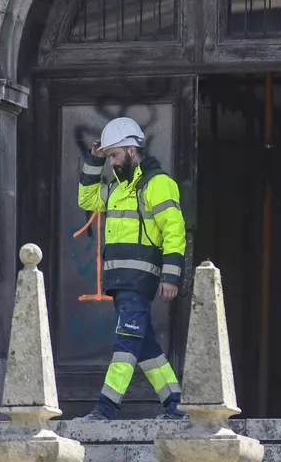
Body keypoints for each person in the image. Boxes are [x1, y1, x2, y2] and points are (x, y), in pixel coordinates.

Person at [76, 116, 188, 421]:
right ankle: (175, 405)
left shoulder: (158, 184)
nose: (112, 162)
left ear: (131, 150)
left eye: (114, 155)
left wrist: (171, 276)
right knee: (146, 346)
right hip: (120, 280)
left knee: (126, 342)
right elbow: (86, 199)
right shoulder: (118, 188)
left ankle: (106, 409)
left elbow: (175, 231)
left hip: (140, 279)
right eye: (109, 157)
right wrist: (94, 159)